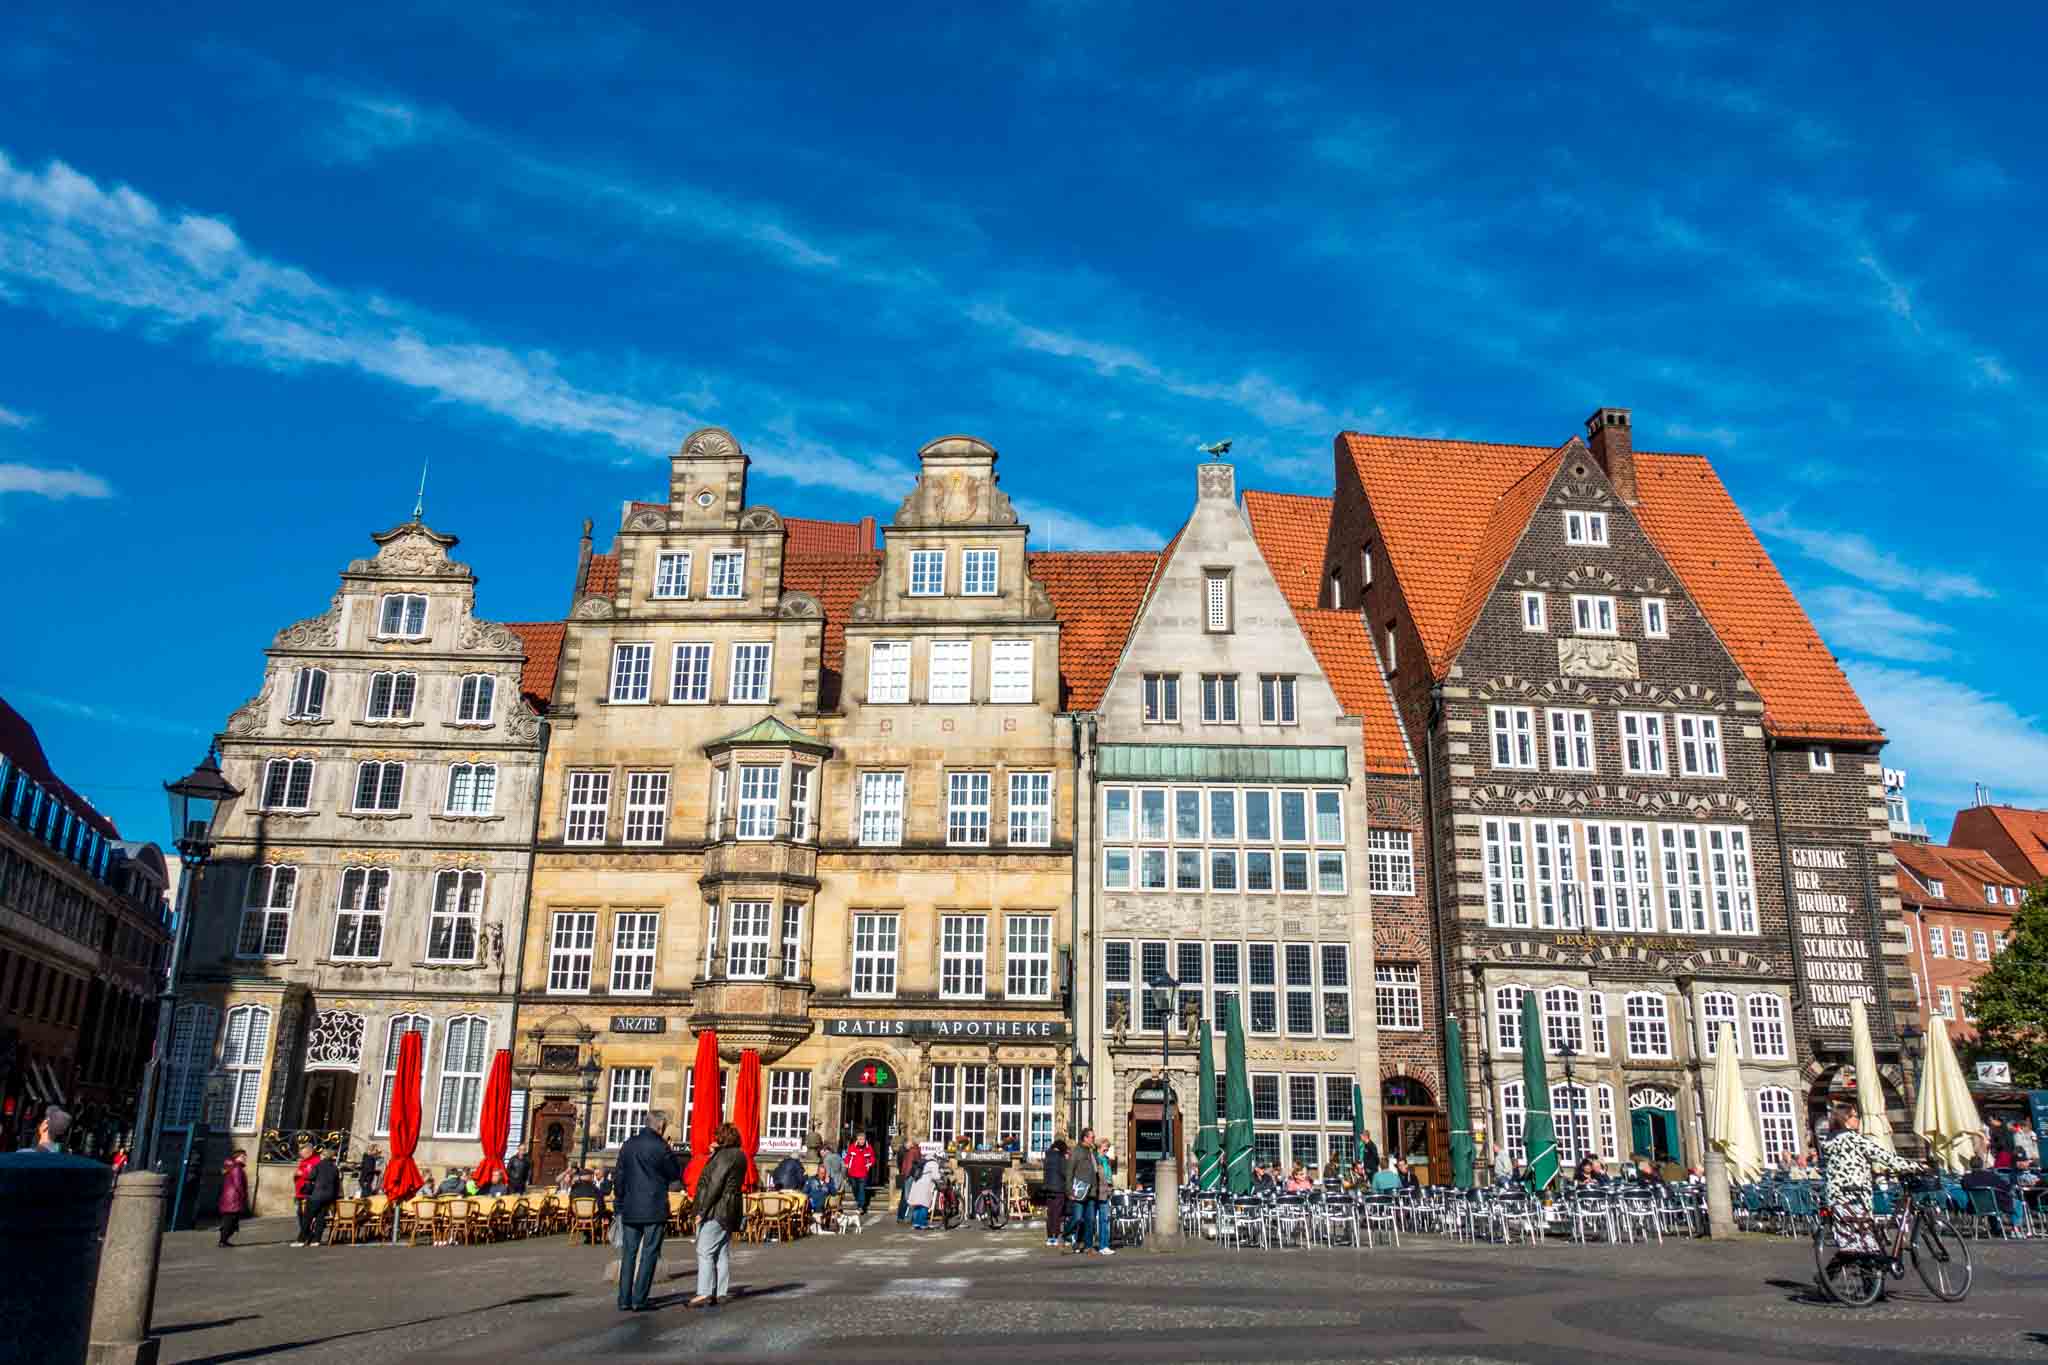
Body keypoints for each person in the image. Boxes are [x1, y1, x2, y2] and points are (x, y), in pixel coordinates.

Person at [614, 1110, 683, 1313]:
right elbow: (674, 1174)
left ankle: (624, 1299)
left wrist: (619, 1201)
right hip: (654, 1207)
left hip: (630, 1206)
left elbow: (619, 1175)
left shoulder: (628, 1145)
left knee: (629, 1254)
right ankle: (639, 1299)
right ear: (660, 1126)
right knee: (649, 1253)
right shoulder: (661, 1147)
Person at [690, 1122, 747, 1310]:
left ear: (722, 1138)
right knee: (721, 1251)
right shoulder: (739, 1155)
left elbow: (715, 1185)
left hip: (718, 1208)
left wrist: (702, 1211)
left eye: (717, 1136)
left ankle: (704, 1292)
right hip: (732, 1207)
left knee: (705, 1250)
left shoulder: (724, 1157)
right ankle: (720, 1291)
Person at [1821, 1108, 1916, 1215]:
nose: (1858, 1119)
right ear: (1845, 1119)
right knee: (1862, 1229)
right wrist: (1915, 1166)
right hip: (1855, 1195)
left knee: (1844, 1229)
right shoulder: (1853, 1139)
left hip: (1835, 1196)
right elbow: (1883, 1156)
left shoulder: (1829, 1141)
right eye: (1855, 1116)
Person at [1960, 1155, 2018, 1228]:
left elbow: (1964, 1187)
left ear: (1970, 1165)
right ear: (1982, 1165)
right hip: (1994, 1206)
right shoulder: (1991, 1176)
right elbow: (2006, 1187)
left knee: (1990, 1199)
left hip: (1975, 1207)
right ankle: (2016, 1228)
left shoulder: (1966, 1179)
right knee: (2015, 1201)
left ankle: (1996, 1227)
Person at [303, 1144, 340, 1247]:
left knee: (307, 1217)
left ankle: (304, 1237)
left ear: (323, 1155)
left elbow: (310, 1178)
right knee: (320, 1218)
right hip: (329, 1196)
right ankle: (316, 1240)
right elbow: (337, 1184)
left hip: (317, 1195)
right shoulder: (334, 1168)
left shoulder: (318, 1165)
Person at [290, 1142, 322, 1246]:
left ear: (309, 1151)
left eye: (302, 1152)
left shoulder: (316, 1161)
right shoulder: (303, 1161)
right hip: (300, 1193)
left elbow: (314, 1175)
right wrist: (296, 1175)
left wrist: (302, 1174)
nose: (300, 1154)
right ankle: (308, 1235)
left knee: (306, 1216)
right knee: (300, 1215)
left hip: (308, 1193)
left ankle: (307, 1235)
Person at [217, 1149, 249, 1247]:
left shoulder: (233, 1167)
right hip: (233, 1198)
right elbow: (238, 1184)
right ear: (238, 1157)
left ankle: (224, 1240)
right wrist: (244, 1196)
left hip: (229, 1197)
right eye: (243, 1157)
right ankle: (222, 1241)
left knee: (229, 1220)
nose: (245, 1159)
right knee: (230, 1221)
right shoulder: (237, 1168)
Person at [1041, 1138, 1069, 1249]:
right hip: (1058, 1189)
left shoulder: (1047, 1157)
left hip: (1048, 1189)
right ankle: (1056, 1237)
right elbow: (1065, 1173)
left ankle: (1049, 1238)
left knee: (1050, 1213)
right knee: (1057, 1214)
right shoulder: (1060, 1158)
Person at [907, 1149, 940, 1231]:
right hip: (925, 1186)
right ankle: (922, 1223)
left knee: (917, 1204)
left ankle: (916, 1223)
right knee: (924, 1205)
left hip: (916, 1184)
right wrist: (941, 1175)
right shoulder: (933, 1163)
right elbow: (936, 1176)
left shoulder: (922, 1161)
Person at [844, 1133, 877, 1215]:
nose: (862, 1141)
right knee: (855, 1188)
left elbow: (872, 1158)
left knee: (861, 1189)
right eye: (860, 1139)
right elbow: (848, 1157)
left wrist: (870, 1164)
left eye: (863, 1139)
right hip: (852, 1172)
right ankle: (858, 1200)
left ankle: (860, 1206)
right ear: (857, 1140)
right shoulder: (852, 1147)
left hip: (863, 1172)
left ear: (865, 1139)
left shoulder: (868, 1148)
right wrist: (846, 1163)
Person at [896, 1139, 923, 1224]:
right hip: (909, 1176)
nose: (907, 1145)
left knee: (907, 1197)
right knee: (907, 1197)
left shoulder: (911, 1151)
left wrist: (905, 1175)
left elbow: (908, 1165)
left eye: (907, 1143)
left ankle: (906, 1217)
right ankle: (907, 1217)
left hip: (909, 1176)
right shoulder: (908, 1150)